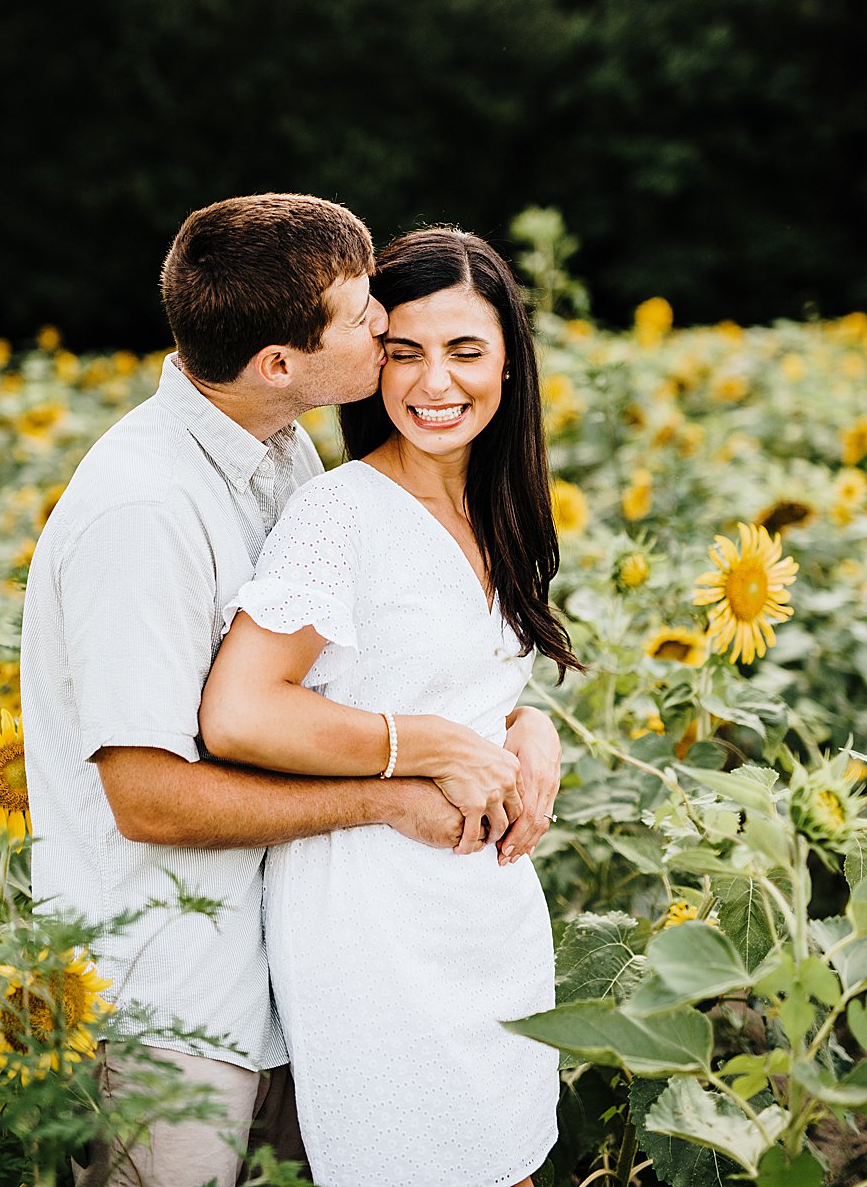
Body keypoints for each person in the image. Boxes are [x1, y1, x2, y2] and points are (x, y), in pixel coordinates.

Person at [21, 196, 562, 1187]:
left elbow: (387, 661)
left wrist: (520, 726)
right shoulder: (144, 509)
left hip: (284, 953)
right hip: (169, 984)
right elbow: (146, 796)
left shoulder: (276, 453)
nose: (390, 342)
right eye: (375, 330)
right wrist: (410, 775)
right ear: (279, 362)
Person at [198, 226, 579, 1187]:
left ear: (509, 361)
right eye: (402, 352)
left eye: (465, 351)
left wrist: (528, 729)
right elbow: (241, 713)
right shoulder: (341, 515)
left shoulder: (496, 502)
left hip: (482, 908)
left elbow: (462, 674)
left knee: (509, 1156)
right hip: (372, 920)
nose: (432, 383)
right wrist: (436, 746)